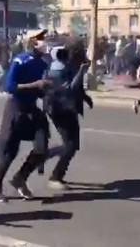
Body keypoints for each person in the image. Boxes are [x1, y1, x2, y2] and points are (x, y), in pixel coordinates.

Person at [0, 29, 51, 203]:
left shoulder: (43, 63)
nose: (44, 41)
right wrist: (35, 84)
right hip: (16, 108)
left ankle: (20, 178)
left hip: (32, 108)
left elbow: (41, 89)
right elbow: (10, 87)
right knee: (10, 151)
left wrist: (47, 89)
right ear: (31, 42)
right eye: (40, 38)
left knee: (41, 148)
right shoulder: (20, 61)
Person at [43, 43, 92, 189]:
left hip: (68, 109)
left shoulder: (67, 66)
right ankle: (54, 176)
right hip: (59, 109)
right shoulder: (56, 70)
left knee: (73, 145)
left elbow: (77, 88)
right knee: (70, 145)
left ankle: (49, 159)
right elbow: (70, 89)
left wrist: (85, 97)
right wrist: (81, 71)